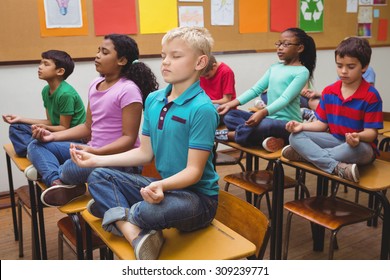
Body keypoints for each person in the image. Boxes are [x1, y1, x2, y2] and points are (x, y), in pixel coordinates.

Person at [70, 26, 220, 260]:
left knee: (146, 210)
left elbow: (193, 171)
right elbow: (143, 153)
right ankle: (133, 233)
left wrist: (162, 187)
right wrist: (97, 158)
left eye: (176, 56)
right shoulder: (153, 99)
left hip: (197, 200)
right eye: (163, 56)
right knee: (98, 175)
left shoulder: (202, 108)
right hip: (162, 187)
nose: (165, 63)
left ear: (200, 62)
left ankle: (112, 209)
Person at [26, 34, 159, 207]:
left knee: (67, 168)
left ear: (122, 60)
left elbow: (129, 139)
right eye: (98, 50)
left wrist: (96, 153)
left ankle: (55, 178)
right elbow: (87, 127)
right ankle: (57, 183)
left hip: (116, 160)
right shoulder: (95, 84)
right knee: (36, 145)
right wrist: (51, 137)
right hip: (92, 151)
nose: (97, 55)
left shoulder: (128, 90)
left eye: (104, 52)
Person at [282, 37, 383, 183]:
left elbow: (372, 133)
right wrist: (301, 126)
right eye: (339, 66)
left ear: (364, 66)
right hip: (335, 140)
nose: (343, 71)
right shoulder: (329, 91)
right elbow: (322, 125)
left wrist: (358, 137)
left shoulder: (371, 95)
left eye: (350, 66)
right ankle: (336, 167)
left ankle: (306, 155)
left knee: (363, 150)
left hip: (358, 146)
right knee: (295, 136)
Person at [215, 27, 316, 152]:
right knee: (230, 115)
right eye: (279, 43)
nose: (280, 47)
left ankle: (230, 135)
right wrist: (230, 104)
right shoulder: (275, 67)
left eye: (286, 44)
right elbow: (256, 89)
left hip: (287, 123)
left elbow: (285, 99)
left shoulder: (302, 72)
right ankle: (274, 140)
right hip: (268, 118)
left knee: (265, 124)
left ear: (299, 48)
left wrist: (262, 112)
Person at [2, 50, 86, 157]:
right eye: (41, 63)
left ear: (60, 71)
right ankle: (31, 154)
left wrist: (42, 128)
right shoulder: (46, 90)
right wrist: (20, 118)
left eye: (46, 64)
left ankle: (34, 153)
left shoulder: (66, 94)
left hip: (72, 137)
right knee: (17, 126)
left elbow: (64, 128)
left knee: (39, 140)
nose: (40, 67)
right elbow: (50, 122)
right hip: (57, 132)